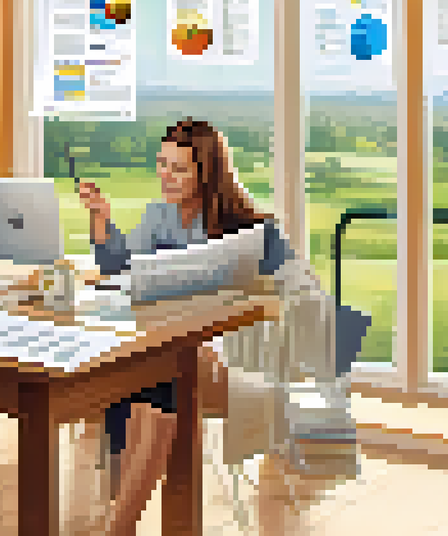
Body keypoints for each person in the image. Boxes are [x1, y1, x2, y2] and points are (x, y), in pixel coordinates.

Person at [77, 118, 295, 536]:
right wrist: (101, 220)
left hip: (228, 360)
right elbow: (119, 269)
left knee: (161, 374)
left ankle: (118, 525)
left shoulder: (247, 226)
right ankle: (119, 520)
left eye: (178, 169)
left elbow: (286, 289)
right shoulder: (159, 216)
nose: (165, 175)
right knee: (136, 378)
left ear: (205, 173)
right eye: (161, 164)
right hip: (171, 352)